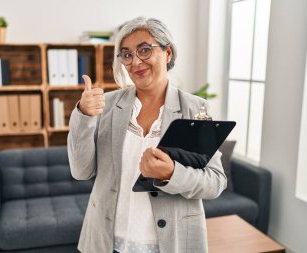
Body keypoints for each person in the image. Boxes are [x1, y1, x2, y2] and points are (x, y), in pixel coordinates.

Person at [67, 16, 227, 253]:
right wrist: (84, 115)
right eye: (127, 54)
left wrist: (172, 174)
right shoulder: (105, 105)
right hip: (106, 242)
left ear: (168, 53)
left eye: (144, 50)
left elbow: (215, 182)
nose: (136, 62)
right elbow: (81, 171)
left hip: (171, 244)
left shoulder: (194, 109)